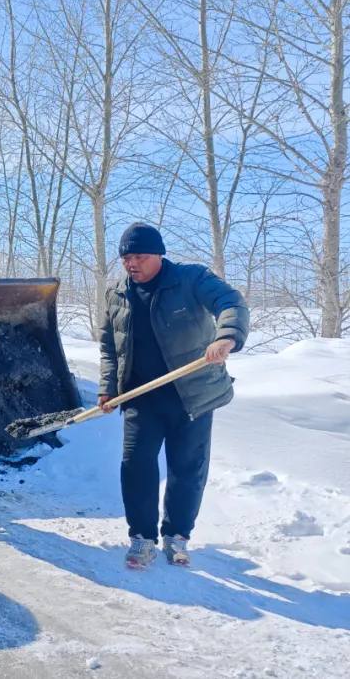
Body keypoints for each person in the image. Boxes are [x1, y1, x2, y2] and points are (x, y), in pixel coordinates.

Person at [99, 222, 249, 569]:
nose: (131, 264)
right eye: (126, 258)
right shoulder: (117, 292)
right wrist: (108, 387)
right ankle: (141, 538)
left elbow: (231, 302)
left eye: (139, 256)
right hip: (141, 396)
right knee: (135, 466)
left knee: (187, 468)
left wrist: (225, 336)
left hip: (192, 394)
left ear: (158, 255)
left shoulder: (191, 279)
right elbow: (109, 345)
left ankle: (177, 536)